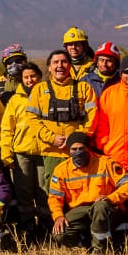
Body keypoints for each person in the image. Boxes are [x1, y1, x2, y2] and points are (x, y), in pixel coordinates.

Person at [24, 50, 98, 198]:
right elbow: (32, 118)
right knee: (53, 192)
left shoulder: (84, 88)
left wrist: (79, 140)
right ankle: (51, 220)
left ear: (70, 65)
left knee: (79, 190)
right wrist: (51, 138)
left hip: (78, 152)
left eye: (64, 62)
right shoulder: (39, 89)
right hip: (52, 152)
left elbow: (92, 116)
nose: (60, 65)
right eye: (55, 62)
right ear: (49, 67)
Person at [47, 132, 128, 255]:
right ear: (69, 150)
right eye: (74, 149)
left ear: (88, 148)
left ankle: (100, 249)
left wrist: (110, 198)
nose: (78, 152)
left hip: (107, 209)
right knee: (59, 234)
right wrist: (58, 216)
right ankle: (86, 242)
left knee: (100, 207)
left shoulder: (106, 163)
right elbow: (55, 198)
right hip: (80, 211)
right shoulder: (61, 170)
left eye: (81, 148)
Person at [0, 62, 49, 238]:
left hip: (44, 152)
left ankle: (45, 223)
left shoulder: (48, 96)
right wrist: (6, 153)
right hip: (21, 153)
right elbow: (7, 128)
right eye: (26, 77)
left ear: (40, 77)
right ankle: (27, 224)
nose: (30, 80)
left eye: (33, 76)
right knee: (23, 191)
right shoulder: (15, 100)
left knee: (44, 190)